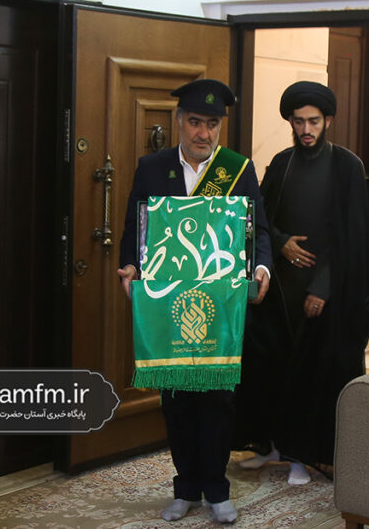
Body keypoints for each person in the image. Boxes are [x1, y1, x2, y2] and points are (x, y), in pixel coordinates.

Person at [117, 78, 272, 524]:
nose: (204, 133)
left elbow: (257, 229)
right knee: (178, 400)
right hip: (168, 305)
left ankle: (217, 490)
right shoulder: (152, 168)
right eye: (196, 123)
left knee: (219, 400)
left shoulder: (237, 170)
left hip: (221, 306)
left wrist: (262, 267)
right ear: (180, 121)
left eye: (213, 124)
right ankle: (185, 487)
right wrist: (130, 266)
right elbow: (135, 229)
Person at [234, 81, 369, 486]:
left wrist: (322, 288)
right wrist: (281, 243)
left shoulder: (346, 166)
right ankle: (271, 446)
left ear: (328, 120)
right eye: (298, 122)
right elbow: (260, 218)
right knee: (271, 368)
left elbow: (351, 236)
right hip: (280, 288)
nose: (306, 130)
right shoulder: (282, 163)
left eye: (313, 121)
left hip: (323, 291)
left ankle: (302, 455)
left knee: (311, 375)